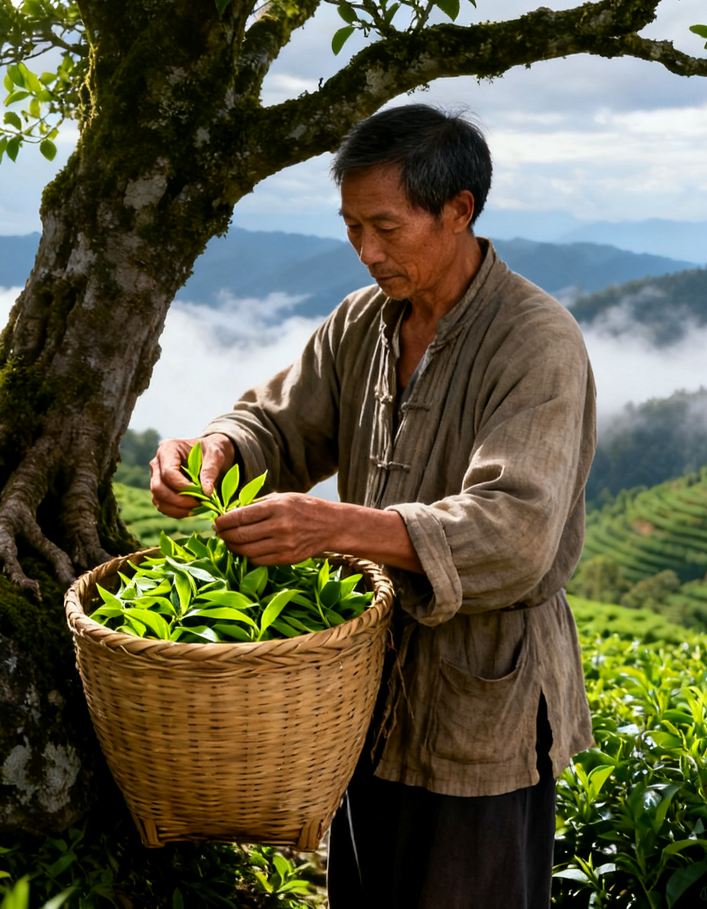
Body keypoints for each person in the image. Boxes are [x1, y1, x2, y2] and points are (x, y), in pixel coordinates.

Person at [149, 103, 596, 909]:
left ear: (459, 210)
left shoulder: (536, 342)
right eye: (354, 228)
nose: (366, 251)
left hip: (478, 712)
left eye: (385, 228)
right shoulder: (363, 324)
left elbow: (518, 530)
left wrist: (333, 526)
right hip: (365, 697)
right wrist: (214, 451)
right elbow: (277, 424)